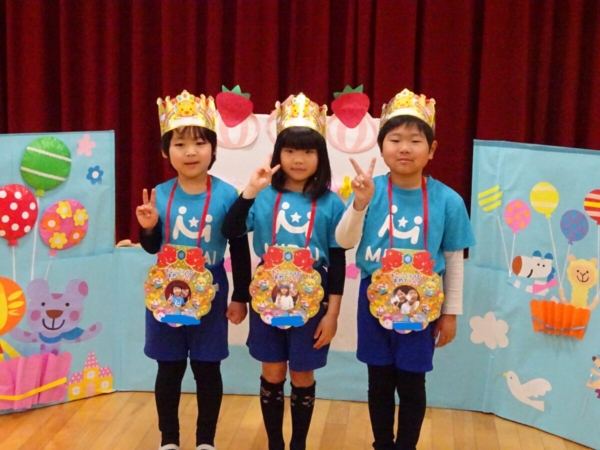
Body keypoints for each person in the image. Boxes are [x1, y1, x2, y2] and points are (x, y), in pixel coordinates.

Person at [335, 89, 475, 450]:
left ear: (432, 149)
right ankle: (382, 443)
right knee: (379, 379)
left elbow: (454, 261)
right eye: (395, 139)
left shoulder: (449, 200)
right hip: (374, 299)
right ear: (381, 146)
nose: (405, 148)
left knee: (412, 382)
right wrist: (360, 204)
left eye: (415, 140)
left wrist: (450, 314)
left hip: (422, 305)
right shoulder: (369, 191)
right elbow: (344, 241)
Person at [221, 93, 346, 450]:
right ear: (278, 154)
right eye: (290, 150)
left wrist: (332, 315)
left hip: (314, 295)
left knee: (302, 372)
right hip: (268, 292)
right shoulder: (262, 196)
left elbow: (337, 259)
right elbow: (231, 229)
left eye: (308, 151)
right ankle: (275, 442)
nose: (299, 159)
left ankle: (298, 444)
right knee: (273, 370)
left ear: (321, 156)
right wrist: (250, 190)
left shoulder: (332, 203)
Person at [136, 90, 251, 450]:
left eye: (200, 143)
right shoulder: (159, 193)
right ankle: (169, 440)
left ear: (213, 149)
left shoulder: (228, 194)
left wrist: (240, 296)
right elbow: (152, 247)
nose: (190, 152)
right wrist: (149, 228)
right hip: (166, 288)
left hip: (211, 286)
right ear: (165, 151)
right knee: (168, 367)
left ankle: (205, 441)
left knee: (207, 366)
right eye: (180, 144)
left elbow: (239, 248)